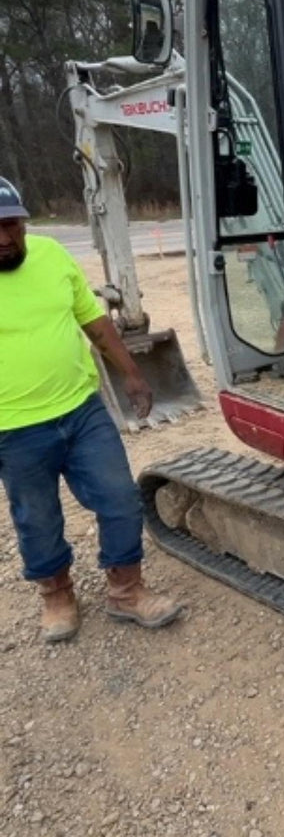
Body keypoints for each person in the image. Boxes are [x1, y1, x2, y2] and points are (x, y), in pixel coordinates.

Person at [0, 176, 183, 644]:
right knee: (37, 517)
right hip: (13, 428)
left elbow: (95, 323)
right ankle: (56, 595)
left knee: (120, 498)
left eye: (13, 225)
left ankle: (126, 591)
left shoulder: (52, 257)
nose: (6, 239)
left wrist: (132, 374)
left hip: (82, 411)